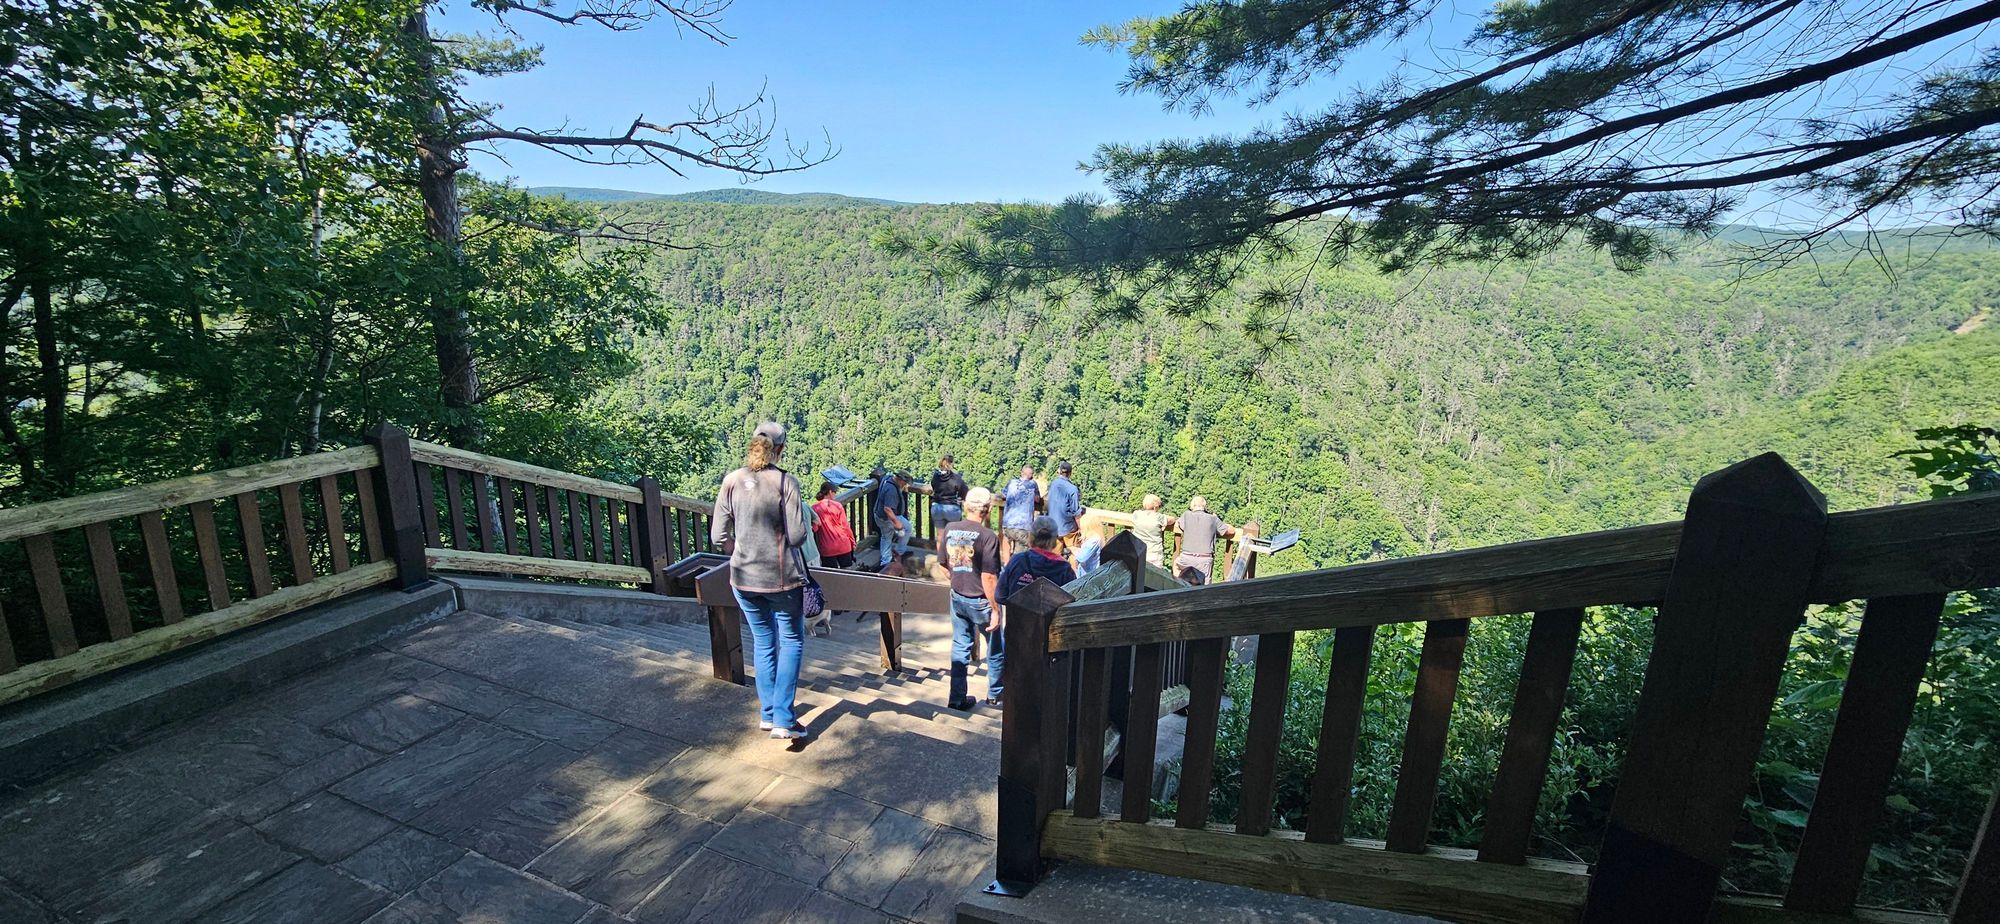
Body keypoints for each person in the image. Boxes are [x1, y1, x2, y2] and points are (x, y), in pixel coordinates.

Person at [711, 422, 811, 741]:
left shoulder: (731, 480)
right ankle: (783, 718)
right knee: (791, 641)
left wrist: (739, 550)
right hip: (781, 579)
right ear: (780, 449)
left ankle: (768, 714)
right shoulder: (785, 483)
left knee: (763, 641)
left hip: (742, 578)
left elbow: (718, 536)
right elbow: (797, 536)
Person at [942, 487, 1004, 710]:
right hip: (981, 601)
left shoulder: (950, 529)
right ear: (988, 510)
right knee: (995, 648)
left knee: (960, 646)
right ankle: (995, 695)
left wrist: (958, 578)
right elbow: (989, 577)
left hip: (957, 596)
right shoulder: (988, 537)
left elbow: (943, 565)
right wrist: (995, 609)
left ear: (966, 506)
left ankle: (957, 697)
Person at [998, 515, 1076, 605]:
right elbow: (1073, 599)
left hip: (1018, 613)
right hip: (1053, 614)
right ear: (1055, 540)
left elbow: (1000, 596)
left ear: (1031, 536)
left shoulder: (1017, 561)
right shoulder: (1064, 568)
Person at [1174, 495, 1236, 586]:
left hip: (1186, 557)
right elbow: (1231, 531)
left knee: (1176, 565)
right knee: (1204, 586)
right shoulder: (1213, 519)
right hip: (1204, 559)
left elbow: (1178, 524)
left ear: (1192, 506)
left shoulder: (1186, 515)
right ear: (1204, 506)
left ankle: (1177, 584)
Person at [811, 481, 857, 569]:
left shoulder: (815, 508)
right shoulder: (837, 506)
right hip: (843, 544)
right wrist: (852, 542)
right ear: (830, 492)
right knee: (848, 573)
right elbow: (845, 526)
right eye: (834, 492)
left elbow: (815, 528)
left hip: (827, 548)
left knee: (831, 575)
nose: (835, 495)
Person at [874, 470, 913, 568]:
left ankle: (886, 560)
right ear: (900, 480)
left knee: (886, 536)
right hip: (887, 518)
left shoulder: (887, 478)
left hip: (879, 514)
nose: (905, 485)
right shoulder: (891, 490)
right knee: (906, 529)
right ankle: (896, 554)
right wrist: (897, 523)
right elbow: (887, 509)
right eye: (905, 482)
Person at [1001, 465, 1039, 558]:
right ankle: (1016, 566)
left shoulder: (1012, 482)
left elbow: (1003, 495)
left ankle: (1006, 564)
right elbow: (1037, 499)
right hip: (1023, 525)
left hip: (1008, 522)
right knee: (1021, 553)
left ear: (1021, 473)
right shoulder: (1033, 484)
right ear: (1031, 475)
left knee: (1006, 541)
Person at [1046, 461, 1082, 559]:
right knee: (1075, 554)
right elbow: (1076, 512)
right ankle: (1073, 568)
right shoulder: (1072, 489)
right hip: (1068, 528)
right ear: (1070, 473)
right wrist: (1080, 529)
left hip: (1053, 527)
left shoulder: (1053, 484)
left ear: (1060, 471)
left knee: (1054, 556)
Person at [1129, 494, 1176, 568]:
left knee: (1138, 572)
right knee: (1155, 574)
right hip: (1154, 553)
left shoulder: (1137, 514)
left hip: (1138, 550)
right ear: (1155, 506)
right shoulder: (1159, 517)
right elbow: (1172, 520)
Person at [929, 454, 967, 529]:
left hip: (937, 506)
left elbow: (933, 486)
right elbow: (964, 491)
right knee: (953, 534)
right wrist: (960, 498)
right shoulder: (956, 478)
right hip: (952, 508)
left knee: (940, 534)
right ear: (951, 463)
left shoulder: (935, 476)